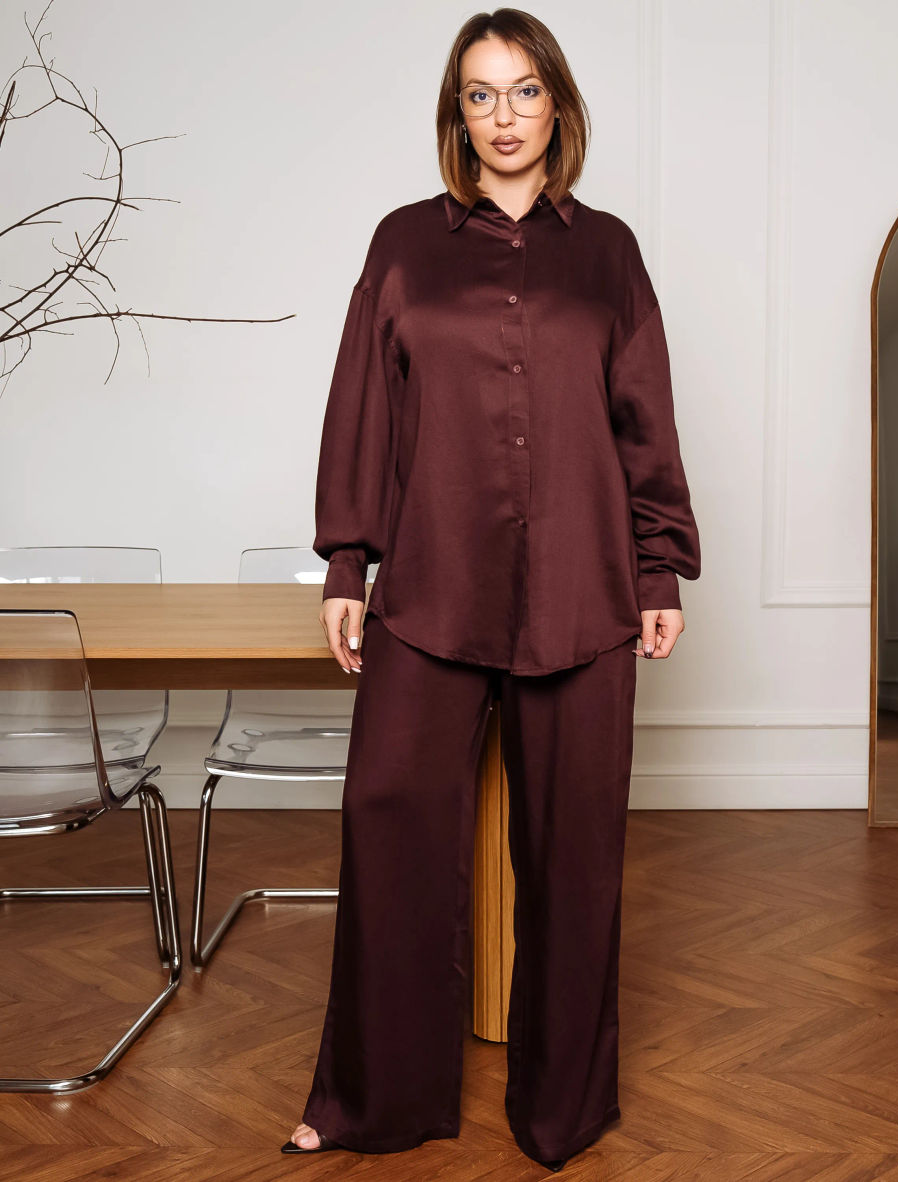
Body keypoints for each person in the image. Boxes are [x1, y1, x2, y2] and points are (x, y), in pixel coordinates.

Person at [282, 7, 701, 1172]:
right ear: (455, 115)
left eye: (523, 91)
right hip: (431, 588)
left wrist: (658, 563)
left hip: (583, 593)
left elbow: (644, 416)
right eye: (480, 94)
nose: (503, 116)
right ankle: (373, 1100)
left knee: (574, 859)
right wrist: (347, 560)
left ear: (556, 106)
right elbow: (363, 406)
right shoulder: (402, 246)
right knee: (390, 833)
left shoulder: (607, 253)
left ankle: (561, 1110)